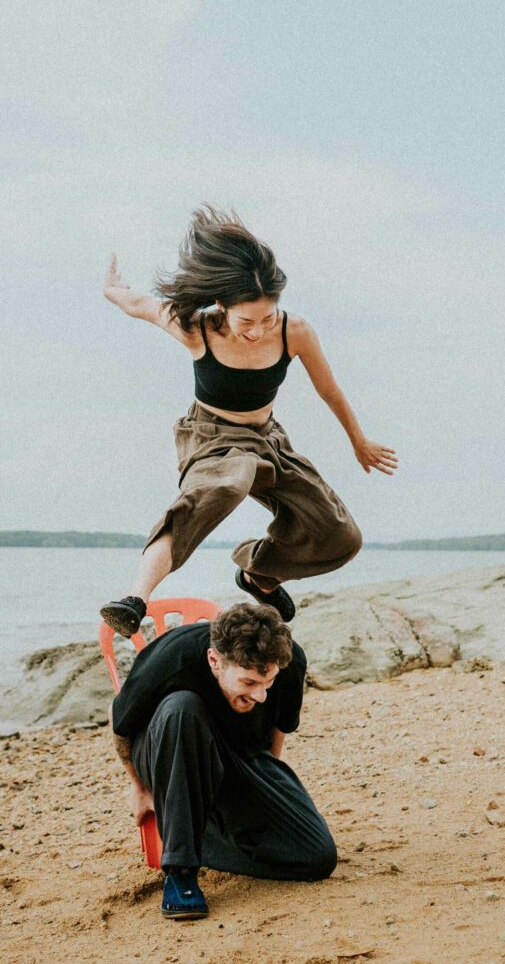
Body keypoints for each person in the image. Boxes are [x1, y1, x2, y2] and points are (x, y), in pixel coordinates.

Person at [100, 205, 398, 639]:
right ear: (221, 306)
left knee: (340, 536)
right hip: (212, 439)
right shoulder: (195, 328)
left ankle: (258, 575)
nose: (257, 331)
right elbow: (139, 304)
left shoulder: (295, 331)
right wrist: (113, 289)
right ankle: (134, 598)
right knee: (223, 485)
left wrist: (359, 441)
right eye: (246, 322)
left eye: (266, 318)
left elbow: (329, 390)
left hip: (268, 439)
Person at [109, 602, 337, 919]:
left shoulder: (288, 661)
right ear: (215, 661)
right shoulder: (173, 659)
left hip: (237, 754)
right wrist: (139, 787)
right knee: (182, 707)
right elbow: (119, 723)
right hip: (168, 752)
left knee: (316, 857)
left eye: (267, 682)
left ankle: (189, 832)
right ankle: (180, 870)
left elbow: (278, 729)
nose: (260, 696)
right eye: (248, 683)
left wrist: (262, 789)